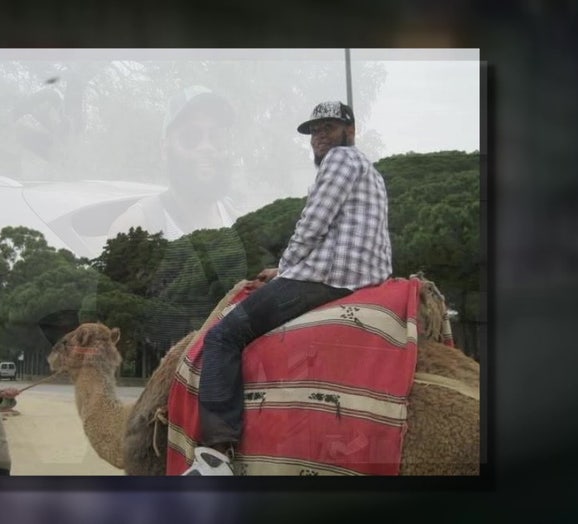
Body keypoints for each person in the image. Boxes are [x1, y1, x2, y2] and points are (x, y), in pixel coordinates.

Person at [182, 101, 393, 475]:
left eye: (328, 127)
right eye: (314, 130)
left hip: (326, 276)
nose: (319, 137)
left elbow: (313, 223)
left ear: (350, 131)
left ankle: (215, 455)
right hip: (360, 274)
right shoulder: (371, 172)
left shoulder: (341, 161)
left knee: (222, 338)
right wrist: (282, 267)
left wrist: (286, 271)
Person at [109, 85, 241, 240]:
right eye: (191, 136)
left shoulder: (237, 222)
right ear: (165, 149)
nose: (207, 147)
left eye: (217, 137)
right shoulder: (136, 230)